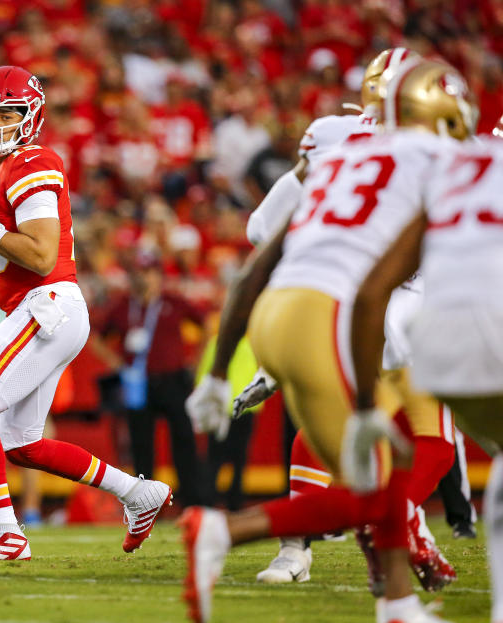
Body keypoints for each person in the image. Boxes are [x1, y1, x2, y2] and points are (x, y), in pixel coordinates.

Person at [180, 60, 472, 623]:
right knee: (374, 483)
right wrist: (364, 400)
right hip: (341, 313)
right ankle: (220, 531)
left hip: (278, 308)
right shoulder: (433, 167)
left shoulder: (344, 157)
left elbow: (256, 264)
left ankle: (396, 603)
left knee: (378, 472)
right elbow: (372, 298)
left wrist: (221, 373)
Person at [0, 65, 171, 560]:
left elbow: (38, 254)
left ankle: (5, 532)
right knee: (21, 442)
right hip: (39, 309)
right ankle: (139, 494)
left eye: (5, 113)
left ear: (30, 114)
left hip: (49, 305)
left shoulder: (35, 160)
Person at [344, 76, 500, 623]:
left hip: (383, 304)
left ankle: (396, 528)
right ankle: (402, 516)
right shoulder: (453, 160)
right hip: (436, 303)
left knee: (402, 436)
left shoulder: (364, 147)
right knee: (437, 441)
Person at [92, 253, 208, 508]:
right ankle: (146, 504)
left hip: (173, 379)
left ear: (159, 276)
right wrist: (117, 364)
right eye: (138, 273)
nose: (142, 278)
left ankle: (192, 501)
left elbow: (205, 325)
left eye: (147, 272)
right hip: (137, 382)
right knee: (141, 443)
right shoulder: (122, 305)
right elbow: (97, 336)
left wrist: (195, 362)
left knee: (183, 440)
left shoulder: (173, 302)